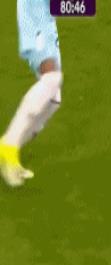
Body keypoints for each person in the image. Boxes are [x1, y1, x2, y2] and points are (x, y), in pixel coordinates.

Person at [0, 0, 63, 187]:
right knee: (51, 79)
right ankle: (8, 147)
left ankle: (8, 155)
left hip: (46, 25)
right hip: (36, 20)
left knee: (53, 101)